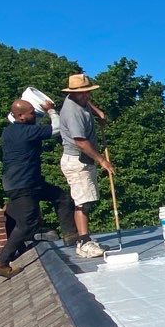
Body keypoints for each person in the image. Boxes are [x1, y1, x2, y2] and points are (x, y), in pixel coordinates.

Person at [0, 98, 75, 279]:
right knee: (26, 224)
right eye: (32, 113)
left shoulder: (9, 132)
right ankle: (1, 263)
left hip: (22, 183)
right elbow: (57, 129)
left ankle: (70, 235)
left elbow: (31, 124)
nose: (35, 115)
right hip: (24, 185)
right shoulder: (27, 132)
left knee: (61, 197)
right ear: (21, 116)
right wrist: (51, 111)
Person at [56, 72, 113, 259]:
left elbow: (87, 103)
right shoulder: (73, 112)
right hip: (77, 161)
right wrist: (102, 160)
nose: (86, 95)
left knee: (86, 199)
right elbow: (80, 142)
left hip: (83, 160)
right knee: (82, 202)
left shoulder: (80, 100)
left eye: (88, 91)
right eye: (82, 92)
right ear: (72, 93)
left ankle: (85, 239)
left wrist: (98, 113)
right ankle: (83, 243)